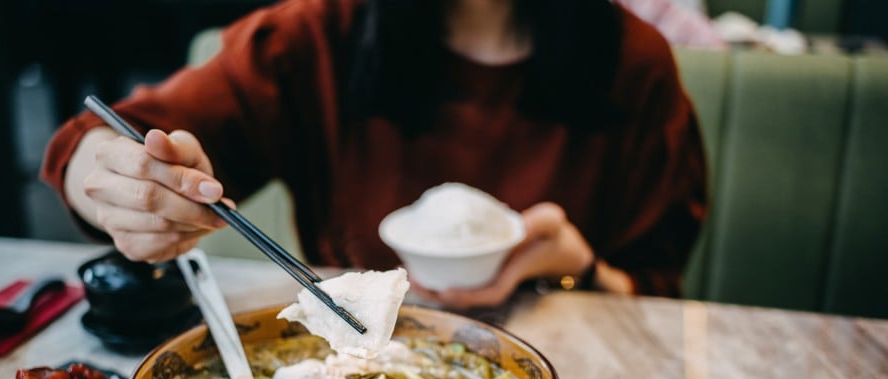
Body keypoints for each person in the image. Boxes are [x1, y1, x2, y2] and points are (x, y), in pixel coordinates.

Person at [42, 0, 707, 309]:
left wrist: (576, 269)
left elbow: (656, 295)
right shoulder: (320, 37)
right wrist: (118, 181)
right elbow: (98, 142)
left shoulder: (633, 65)